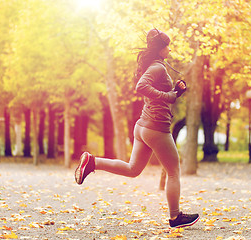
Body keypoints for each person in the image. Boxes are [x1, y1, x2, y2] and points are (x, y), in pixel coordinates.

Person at [75, 29, 199, 228]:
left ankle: (92, 162)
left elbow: (157, 93)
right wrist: (170, 96)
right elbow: (141, 87)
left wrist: (176, 92)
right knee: (174, 171)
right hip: (156, 128)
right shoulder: (157, 68)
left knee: (133, 169)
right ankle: (176, 217)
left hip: (143, 126)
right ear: (160, 49)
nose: (169, 48)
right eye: (167, 45)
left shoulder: (156, 66)